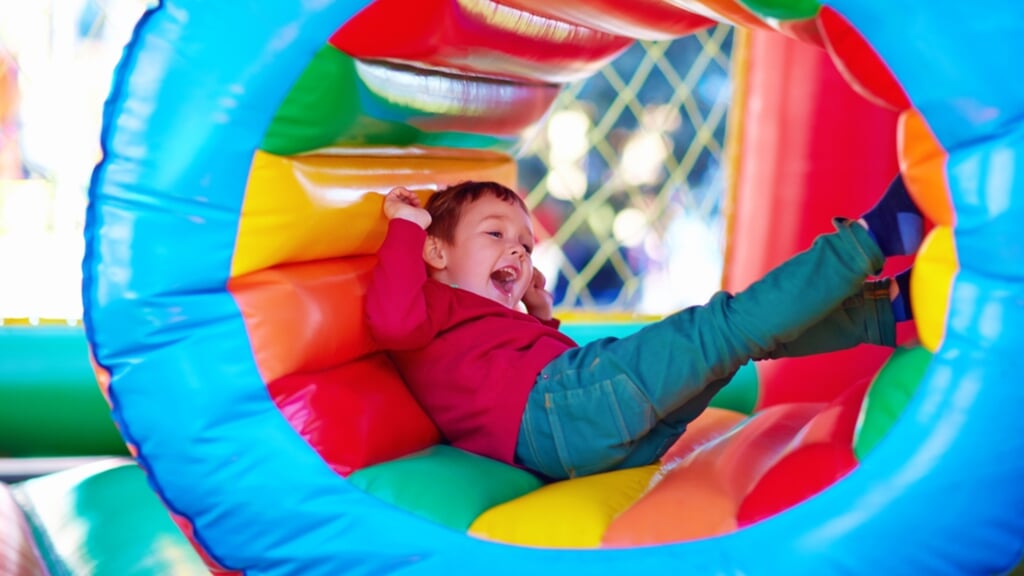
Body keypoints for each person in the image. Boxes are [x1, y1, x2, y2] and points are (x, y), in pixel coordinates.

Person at [365, 177, 921, 480]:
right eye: (495, 234)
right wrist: (407, 229)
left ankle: (886, 307)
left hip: (584, 444)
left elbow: (510, 370)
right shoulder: (430, 299)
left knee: (738, 344)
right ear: (436, 251)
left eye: (527, 244)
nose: (517, 246)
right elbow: (391, 320)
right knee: (722, 326)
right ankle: (872, 238)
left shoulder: (473, 325)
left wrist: (536, 314)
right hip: (564, 413)